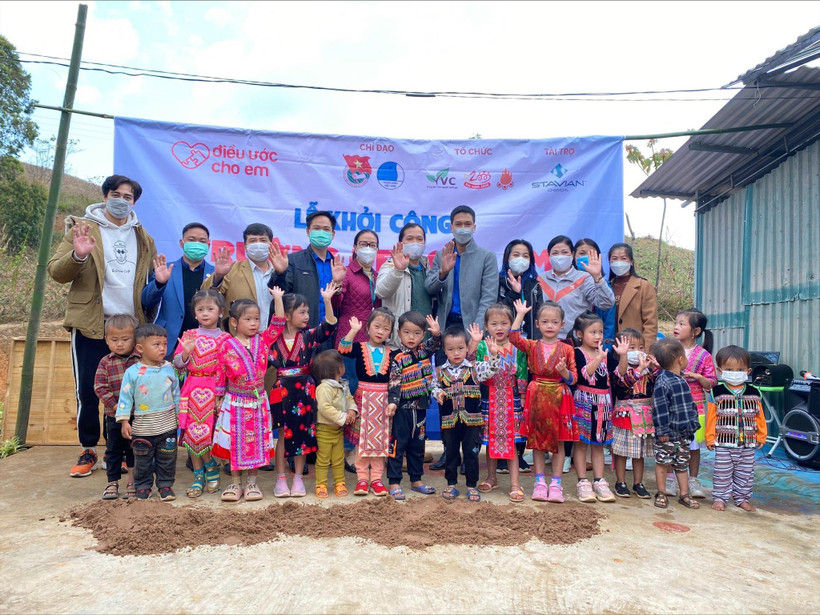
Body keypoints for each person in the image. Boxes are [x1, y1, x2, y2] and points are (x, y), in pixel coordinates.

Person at [47, 174, 158, 478]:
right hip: (92, 324)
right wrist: (78, 255)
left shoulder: (143, 237)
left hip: (131, 326)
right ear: (106, 196)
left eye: (129, 197)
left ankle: (118, 450)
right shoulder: (83, 228)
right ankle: (87, 449)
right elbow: (56, 271)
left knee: (128, 391)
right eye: (117, 195)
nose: (123, 201)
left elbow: (147, 282)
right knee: (88, 390)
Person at [212, 291, 286, 502]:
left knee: (256, 442)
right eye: (248, 319)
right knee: (235, 441)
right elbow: (220, 372)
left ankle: (252, 483)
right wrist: (218, 398)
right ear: (234, 322)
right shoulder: (226, 344)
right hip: (235, 399)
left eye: (256, 319)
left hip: (258, 400)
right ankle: (235, 484)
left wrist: (278, 299)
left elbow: (279, 323)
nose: (254, 323)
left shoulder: (262, 340)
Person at [268, 284, 340, 498]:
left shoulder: (308, 336)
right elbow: (277, 322)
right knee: (281, 436)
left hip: (305, 391)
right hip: (281, 390)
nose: (307, 316)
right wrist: (279, 300)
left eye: (308, 311)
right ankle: (281, 479)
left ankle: (298, 479)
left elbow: (328, 326)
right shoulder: (272, 339)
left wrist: (327, 300)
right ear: (287, 316)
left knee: (302, 435)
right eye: (302, 312)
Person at [510, 299, 578, 503]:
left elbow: (574, 377)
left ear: (562, 325)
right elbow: (513, 337)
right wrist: (520, 314)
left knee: (559, 442)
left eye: (554, 322)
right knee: (537, 442)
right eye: (545, 321)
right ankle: (540, 482)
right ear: (537, 324)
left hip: (559, 395)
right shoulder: (532, 345)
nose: (550, 326)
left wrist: (564, 372)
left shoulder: (567, 349)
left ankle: (556, 484)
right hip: (537, 394)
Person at [172, 290, 231, 497]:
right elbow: (177, 365)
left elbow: (226, 368)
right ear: (195, 314)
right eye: (200, 310)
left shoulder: (226, 339)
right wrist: (186, 352)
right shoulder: (189, 335)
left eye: (210, 309)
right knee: (190, 433)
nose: (205, 313)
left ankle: (210, 468)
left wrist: (220, 394)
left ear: (220, 312)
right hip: (191, 387)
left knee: (206, 433)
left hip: (212, 389)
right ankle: (200, 474)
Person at [433, 326, 500, 502]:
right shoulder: (440, 371)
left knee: (471, 453)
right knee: (450, 452)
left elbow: (492, 369)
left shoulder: (475, 368)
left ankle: (471, 486)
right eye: (451, 349)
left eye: (460, 348)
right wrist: (437, 393)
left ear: (467, 348)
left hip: (472, 422)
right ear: (444, 350)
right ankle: (451, 484)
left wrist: (493, 355)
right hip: (449, 421)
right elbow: (432, 386)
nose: (456, 353)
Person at [115, 323, 180, 501]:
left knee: (167, 459)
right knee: (142, 461)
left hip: (167, 425)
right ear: (140, 348)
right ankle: (143, 487)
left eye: (164, 344)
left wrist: (179, 417)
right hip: (143, 427)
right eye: (156, 344)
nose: (162, 348)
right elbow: (125, 398)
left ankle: (165, 486)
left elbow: (176, 394)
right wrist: (124, 421)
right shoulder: (132, 372)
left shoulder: (169, 368)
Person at [338, 308, 395, 497]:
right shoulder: (360, 347)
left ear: (390, 332)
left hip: (383, 401)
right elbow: (342, 348)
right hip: (363, 399)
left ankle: (377, 479)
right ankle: (362, 478)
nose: (380, 331)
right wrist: (353, 330)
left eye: (385, 329)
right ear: (368, 327)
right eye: (377, 326)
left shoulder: (392, 353)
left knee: (380, 442)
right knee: (362, 440)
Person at [386, 311, 442, 500]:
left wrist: (436, 334)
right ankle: (394, 482)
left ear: (423, 334)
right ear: (399, 333)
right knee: (397, 445)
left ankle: (416, 480)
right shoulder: (397, 357)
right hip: (402, 409)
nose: (412, 337)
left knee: (417, 446)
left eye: (417, 333)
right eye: (407, 332)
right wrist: (393, 404)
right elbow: (394, 383)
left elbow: (436, 344)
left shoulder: (425, 351)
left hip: (421, 407)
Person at [476, 303, 529, 502]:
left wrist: (522, 398)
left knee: (511, 441)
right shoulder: (482, 346)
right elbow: (480, 373)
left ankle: (515, 483)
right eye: (494, 323)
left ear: (511, 325)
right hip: (489, 397)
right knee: (490, 440)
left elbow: (522, 373)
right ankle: (491, 477)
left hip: (511, 397)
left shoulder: (518, 347)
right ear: (486, 326)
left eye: (504, 323)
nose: (499, 328)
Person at [706, 345, 767, 512]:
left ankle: (742, 498)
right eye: (729, 369)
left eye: (740, 369)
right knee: (722, 472)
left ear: (748, 371)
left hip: (748, 443)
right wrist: (710, 437)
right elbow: (711, 417)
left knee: (745, 473)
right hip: (724, 443)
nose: (735, 372)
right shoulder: (716, 392)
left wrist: (762, 435)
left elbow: (759, 416)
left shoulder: (754, 392)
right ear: (720, 370)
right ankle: (720, 498)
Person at [142, 222, 215, 356]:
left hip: (205, 346)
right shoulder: (166, 269)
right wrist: (159, 283)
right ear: (182, 243)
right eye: (191, 240)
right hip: (168, 342)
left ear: (208, 245)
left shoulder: (216, 274)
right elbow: (147, 301)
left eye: (202, 241)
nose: (197, 244)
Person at [426, 205, 499, 334]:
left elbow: (488, 298)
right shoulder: (441, 254)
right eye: (458, 224)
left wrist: (476, 332)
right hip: (445, 327)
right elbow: (429, 288)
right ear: (451, 228)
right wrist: (442, 273)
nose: (463, 228)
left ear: (474, 228)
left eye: (467, 224)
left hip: (473, 327)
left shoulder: (487, 257)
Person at [270, 210, 347, 330]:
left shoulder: (337, 267)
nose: (321, 232)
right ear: (308, 231)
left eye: (326, 229)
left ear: (332, 234)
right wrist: (280, 273)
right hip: (300, 333)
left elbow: (337, 305)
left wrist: (337, 284)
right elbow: (280, 295)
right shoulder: (293, 261)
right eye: (316, 228)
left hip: (329, 332)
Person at [649, 337, 701, 510]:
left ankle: (684, 494)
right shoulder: (663, 382)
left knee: (682, 464)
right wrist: (662, 431)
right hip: (668, 434)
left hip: (683, 433)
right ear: (680, 359)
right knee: (663, 463)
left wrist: (693, 425)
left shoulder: (681, 379)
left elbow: (690, 406)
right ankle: (661, 493)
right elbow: (660, 408)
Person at [570, 312, 616, 503]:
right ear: (580, 334)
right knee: (581, 443)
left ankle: (599, 481)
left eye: (600, 332)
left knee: (599, 444)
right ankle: (582, 481)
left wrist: (620, 356)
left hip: (603, 402)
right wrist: (599, 358)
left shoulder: (606, 352)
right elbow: (584, 374)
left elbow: (616, 374)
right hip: (583, 400)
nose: (598, 336)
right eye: (592, 332)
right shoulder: (577, 353)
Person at [93, 314, 140, 500]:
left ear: (135, 339)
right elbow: (99, 387)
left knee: (133, 449)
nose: (120, 344)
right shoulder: (106, 362)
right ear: (106, 340)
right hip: (113, 417)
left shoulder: (140, 361)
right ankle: (112, 483)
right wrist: (118, 408)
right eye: (114, 340)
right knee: (113, 450)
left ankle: (132, 482)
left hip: (137, 415)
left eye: (125, 339)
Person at [203, 223, 279, 332]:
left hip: (273, 338)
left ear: (271, 244)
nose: (258, 245)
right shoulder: (232, 270)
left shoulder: (280, 272)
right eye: (252, 241)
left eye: (263, 240)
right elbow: (205, 295)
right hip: (238, 340)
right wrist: (218, 276)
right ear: (245, 246)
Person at [672, 308, 716, 499]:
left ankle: (693, 480)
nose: (676, 327)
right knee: (671, 443)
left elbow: (711, 383)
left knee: (693, 447)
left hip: (695, 405)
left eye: (682, 324)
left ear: (696, 331)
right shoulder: (669, 349)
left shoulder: (704, 355)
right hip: (672, 404)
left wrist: (698, 377)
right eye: (675, 323)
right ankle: (670, 479)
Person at [609, 328, 656, 499]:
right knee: (621, 451)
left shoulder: (649, 370)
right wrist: (624, 357)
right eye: (631, 347)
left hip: (644, 417)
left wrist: (656, 365)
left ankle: (638, 483)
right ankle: (620, 481)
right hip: (625, 416)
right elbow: (624, 381)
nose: (637, 351)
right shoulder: (619, 370)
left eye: (641, 347)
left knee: (639, 453)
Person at [539, 235, 615, 341]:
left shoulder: (584, 278)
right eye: (555, 253)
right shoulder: (540, 279)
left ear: (572, 254)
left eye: (565, 252)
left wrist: (597, 277)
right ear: (549, 256)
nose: (560, 256)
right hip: (545, 342)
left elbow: (606, 303)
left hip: (575, 342)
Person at [375, 223, 435, 349]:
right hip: (398, 344)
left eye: (419, 239)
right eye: (409, 239)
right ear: (401, 243)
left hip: (424, 344)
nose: (415, 243)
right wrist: (398, 270)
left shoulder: (428, 269)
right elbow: (381, 292)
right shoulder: (390, 265)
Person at [313, 350, 358, 498]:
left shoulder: (342, 385)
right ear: (339, 369)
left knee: (338, 459)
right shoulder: (324, 388)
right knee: (323, 459)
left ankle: (339, 483)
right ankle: (321, 484)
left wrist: (352, 410)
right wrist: (342, 417)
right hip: (324, 430)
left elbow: (349, 398)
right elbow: (324, 408)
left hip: (338, 431)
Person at [604, 242, 658, 352]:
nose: (619, 262)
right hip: (611, 349)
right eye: (614, 258)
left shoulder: (643, 286)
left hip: (634, 349)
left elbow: (650, 324)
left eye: (623, 258)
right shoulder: (606, 286)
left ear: (631, 262)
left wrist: (645, 351)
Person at [498, 239, 545, 341]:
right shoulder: (497, 282)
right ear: (507, 258)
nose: (521, 259)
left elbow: (539, 317)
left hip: (529, 343)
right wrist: (514, 293)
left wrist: (536, 344)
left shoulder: (534, 286)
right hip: (503, 342)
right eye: (516, 255)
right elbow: (495, 314)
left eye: (525, 256)